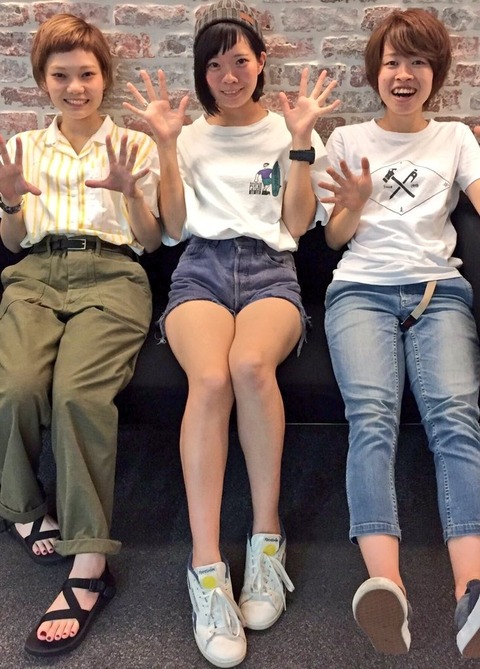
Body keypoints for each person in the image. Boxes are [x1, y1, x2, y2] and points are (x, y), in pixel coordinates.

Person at [123, 0, 339, 665]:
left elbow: (297, 224)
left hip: (271, 269)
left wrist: (301, 141)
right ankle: (207, 567)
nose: (228, 75)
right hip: (201, 270)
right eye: (214, 65)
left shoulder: (287, 128)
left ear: (261, 62)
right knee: (211, 378)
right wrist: (166, 144)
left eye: (239, 61)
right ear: (203, 72)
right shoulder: (189, 136)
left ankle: (266, 540)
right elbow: (171, 229)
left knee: (250, 365)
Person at [320, 8, 480, 659]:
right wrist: (354, 205)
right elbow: (333, 237)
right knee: (372, 416)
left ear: (435, 73)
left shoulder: (456, 138)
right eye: (393, 61)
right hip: (360, 290)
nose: (404, 74)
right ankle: (386, 585)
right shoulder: (345, 138)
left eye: (417, 61)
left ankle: (472, 592)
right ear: (375, 72)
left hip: (439, 292)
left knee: (456, 417)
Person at [0, 14, 161, 657]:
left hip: (114, 275)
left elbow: (152, 241)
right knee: (14, 387)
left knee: (76, 396)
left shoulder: (134, 146)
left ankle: (89, 562)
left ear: (105, 77)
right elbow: (13, 241)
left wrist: (131, 196)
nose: (75, 87)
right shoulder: (22, 148)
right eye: (61, 75)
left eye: (87, 74)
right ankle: (20, 506)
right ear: (42, 81)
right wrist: (10, 203)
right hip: (36, 273)